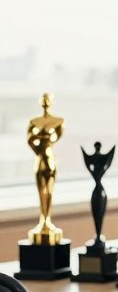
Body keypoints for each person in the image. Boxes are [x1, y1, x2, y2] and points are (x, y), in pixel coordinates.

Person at [26, 92, 65, 244]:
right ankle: (43, 220)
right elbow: (29, 140)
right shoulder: (34, 121)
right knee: (41, 190)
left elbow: (56, 137)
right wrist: (38, 150)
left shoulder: (59, 121)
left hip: (49, 159)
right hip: (41, 159)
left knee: (49, 190)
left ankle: (47, 219)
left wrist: (43, 141)